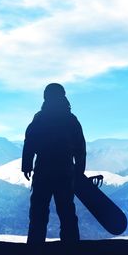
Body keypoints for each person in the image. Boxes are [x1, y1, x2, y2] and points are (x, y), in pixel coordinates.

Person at [22, 83, 86, 244]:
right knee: (67, 212)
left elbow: (29, 142)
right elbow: (80, 147)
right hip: (65, 171)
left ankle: (34, 250)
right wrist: (79, 170)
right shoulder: (71, 120)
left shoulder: (40, 118)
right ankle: (71, 250)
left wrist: (27, 165)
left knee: (38, 212)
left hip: (43, 170)